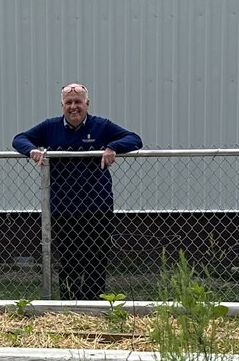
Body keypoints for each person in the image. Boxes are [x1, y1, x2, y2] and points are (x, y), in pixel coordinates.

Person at [12, 82, 142, 300]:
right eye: (69, 102)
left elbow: (135, 139)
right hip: (63, 208)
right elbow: (19, 139)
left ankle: (95, 305)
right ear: (62, 105)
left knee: (96, 258)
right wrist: (32, 150)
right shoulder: (50, 127)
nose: (74, 107)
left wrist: (113, 147)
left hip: (97, 207)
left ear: (87, 104)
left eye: (78, 102)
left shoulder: (101, 126)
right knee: (70, 260)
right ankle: (69, 304)